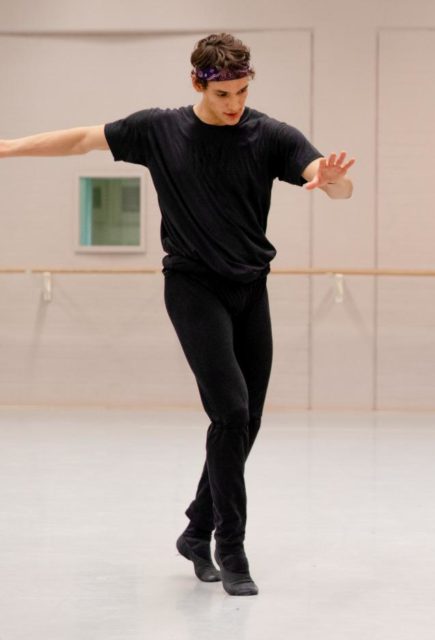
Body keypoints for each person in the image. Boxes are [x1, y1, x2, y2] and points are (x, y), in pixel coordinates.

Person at [0, 33, 355, 596]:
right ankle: (229, 547)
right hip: (192, 287)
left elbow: (332, 183)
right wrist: (7, 146)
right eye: (223, 95)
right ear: (198, 83)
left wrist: (333, 184)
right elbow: (79, 140)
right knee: (232, 412)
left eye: (242, 92)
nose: (234, 104)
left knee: (246, 421)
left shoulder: (270, 135)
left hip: (250, 289)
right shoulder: (159, 130)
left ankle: (195, 528)